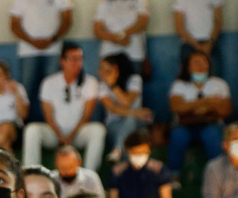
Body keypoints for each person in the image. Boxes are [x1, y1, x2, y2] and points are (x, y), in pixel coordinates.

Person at [24, 42, 105, 172]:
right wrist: (61, 137)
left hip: (78, 132)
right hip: (55, 133)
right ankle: (31, 172)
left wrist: (70, 137)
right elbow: (48, 116)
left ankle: (90, 174)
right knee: (32, 130)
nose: (77, 63)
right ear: (62, 61)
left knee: (98, 130)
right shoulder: (49, 82)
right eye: (73, 59)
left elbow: (86, 115)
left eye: (79, 59)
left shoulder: (90, 82)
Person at [168, 50, 231, 180]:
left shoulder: (219, 84)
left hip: (211, 124)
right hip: (186, 125)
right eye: (196, 62)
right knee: (178, 135)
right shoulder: (179, 85)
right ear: (187, 66)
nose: (201, 65)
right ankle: (174, 175)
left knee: (212, 135)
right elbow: (177, 107)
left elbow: (226, 111)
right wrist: (207, 102)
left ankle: (220, 176)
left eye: (204, 62)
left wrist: (192, 105)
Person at [10, 0, 72, 122]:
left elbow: (67, 19)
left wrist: (52, 39)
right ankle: (23, 128)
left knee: (54, 89)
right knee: (25, 90)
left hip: (53, 50)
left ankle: (55, 125)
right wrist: (32, 41)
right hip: (28, 51)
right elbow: (14, 25)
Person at [98, 53, 152, 163]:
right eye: (101, 69)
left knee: (132, 122)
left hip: (138, 123)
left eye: (107, 70)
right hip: (114, 125)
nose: (101, 73)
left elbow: (126, 101)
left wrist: (113, 85)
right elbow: (113, 109)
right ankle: (120, 155)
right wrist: (137, 112)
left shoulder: (134, 79)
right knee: (132, 131)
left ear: (118, 69)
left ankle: (117, 151)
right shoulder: (102, 85)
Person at [109, 130, 173, 198]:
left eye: (143, 152)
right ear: (128, 151)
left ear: (149, 151)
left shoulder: (159, 169)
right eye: (135, 152)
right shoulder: (118, 171)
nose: (139, 156)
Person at [94, 0, 149, 67]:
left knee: (134, 77)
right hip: (109, 54)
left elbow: (142, 22)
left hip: (134, 54)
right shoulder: (105, 3)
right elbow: (97, 30)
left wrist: (122, 35)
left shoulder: (139, 1)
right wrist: (116, 38)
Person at [173, 0, 223, 72]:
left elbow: (218, 22)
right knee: (188, 78)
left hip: (211, 44)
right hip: (189, 45)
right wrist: (197, 46)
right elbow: (179, 27)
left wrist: (209, 44)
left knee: (213, 77)